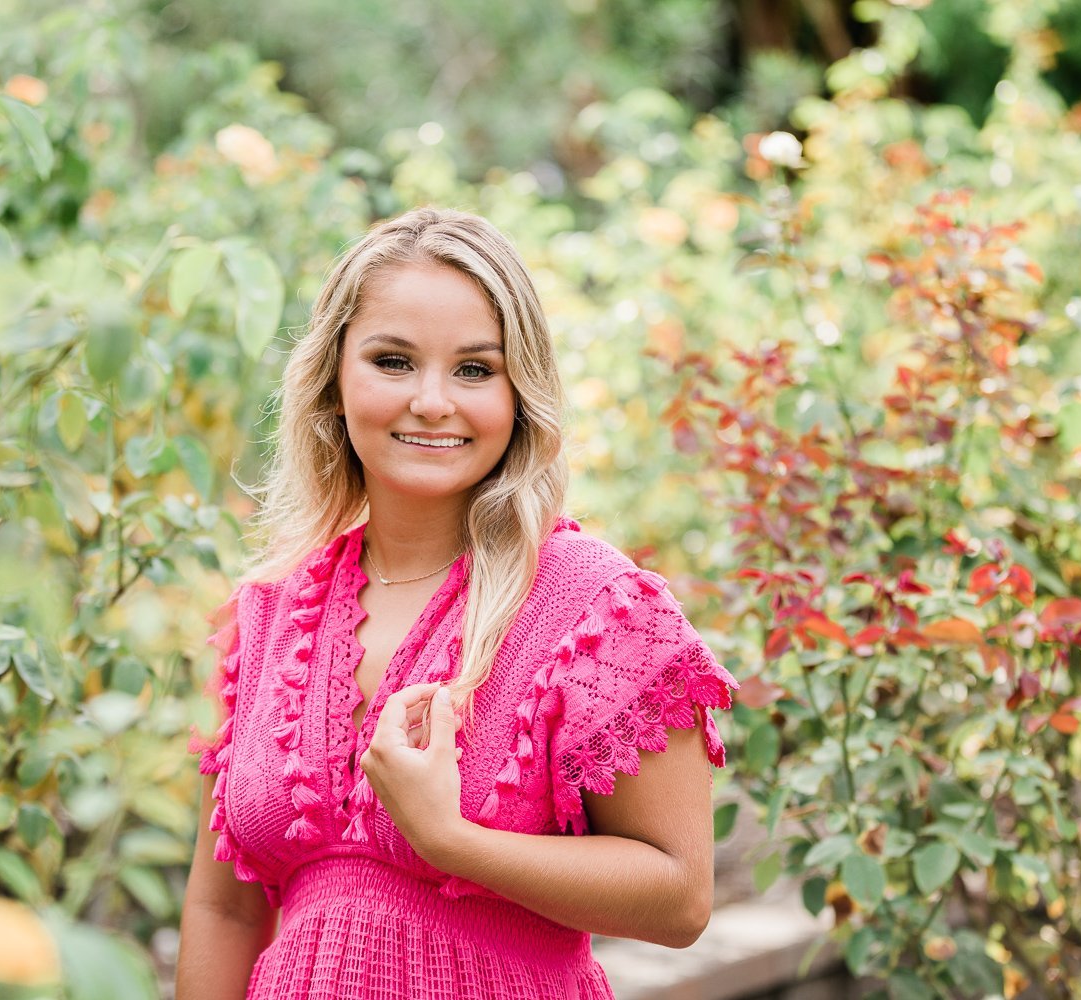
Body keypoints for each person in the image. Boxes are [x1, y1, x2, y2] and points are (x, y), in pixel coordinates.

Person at [176, 208, 738, 1000]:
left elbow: (680, 897)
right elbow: (224, 908)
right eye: (393, 360)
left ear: (521, 393)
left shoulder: (598, 608)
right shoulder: (264, 616)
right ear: (336, 378)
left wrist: (450, 840)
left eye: (475, 369)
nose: (432, 402)